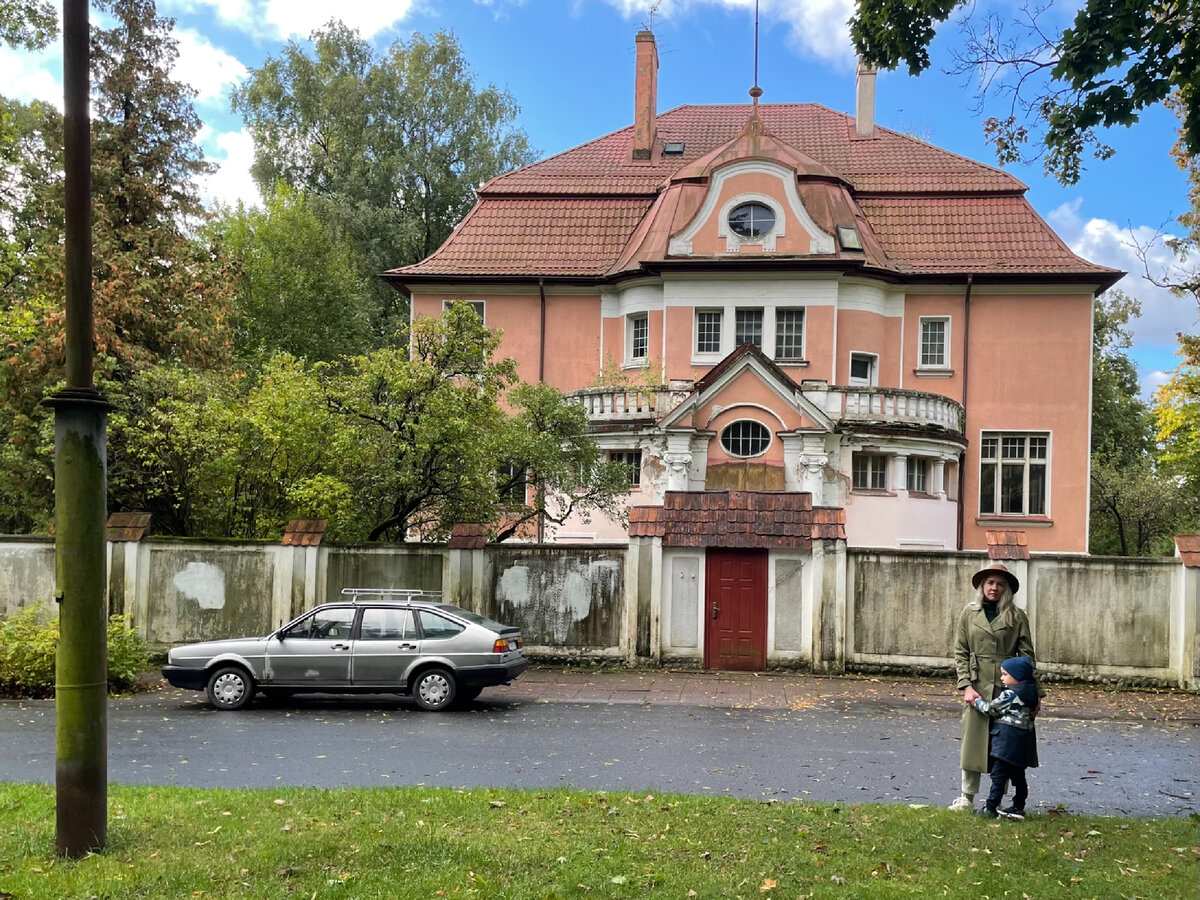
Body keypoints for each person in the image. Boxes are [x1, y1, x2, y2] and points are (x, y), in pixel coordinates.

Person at [949, 561, 1036, 812]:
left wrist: (1034, 694)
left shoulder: (1017, 616)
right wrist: (965, 685)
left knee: (1005, 744)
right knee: (972, 742)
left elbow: (1028, 657)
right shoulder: (969, 613)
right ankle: (966, 797)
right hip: (976, 687)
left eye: (999, 583)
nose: (994, 588)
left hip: (1008, 688)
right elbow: (960, 651)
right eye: (989, 583)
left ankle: (995, 800)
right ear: (982, 586)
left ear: (1006, 588)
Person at [968, 655, 1039, 819]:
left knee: (998, 776)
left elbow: (991, 708)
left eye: (1005, 674)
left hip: (1007, 742)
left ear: (1018, 676)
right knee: (1018, 777)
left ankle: (990, 808)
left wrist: (975, 703)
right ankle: (1018, 806)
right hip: (1021, 743)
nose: (1002, 678)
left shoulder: (1011, 695)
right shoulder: (1031, 693)